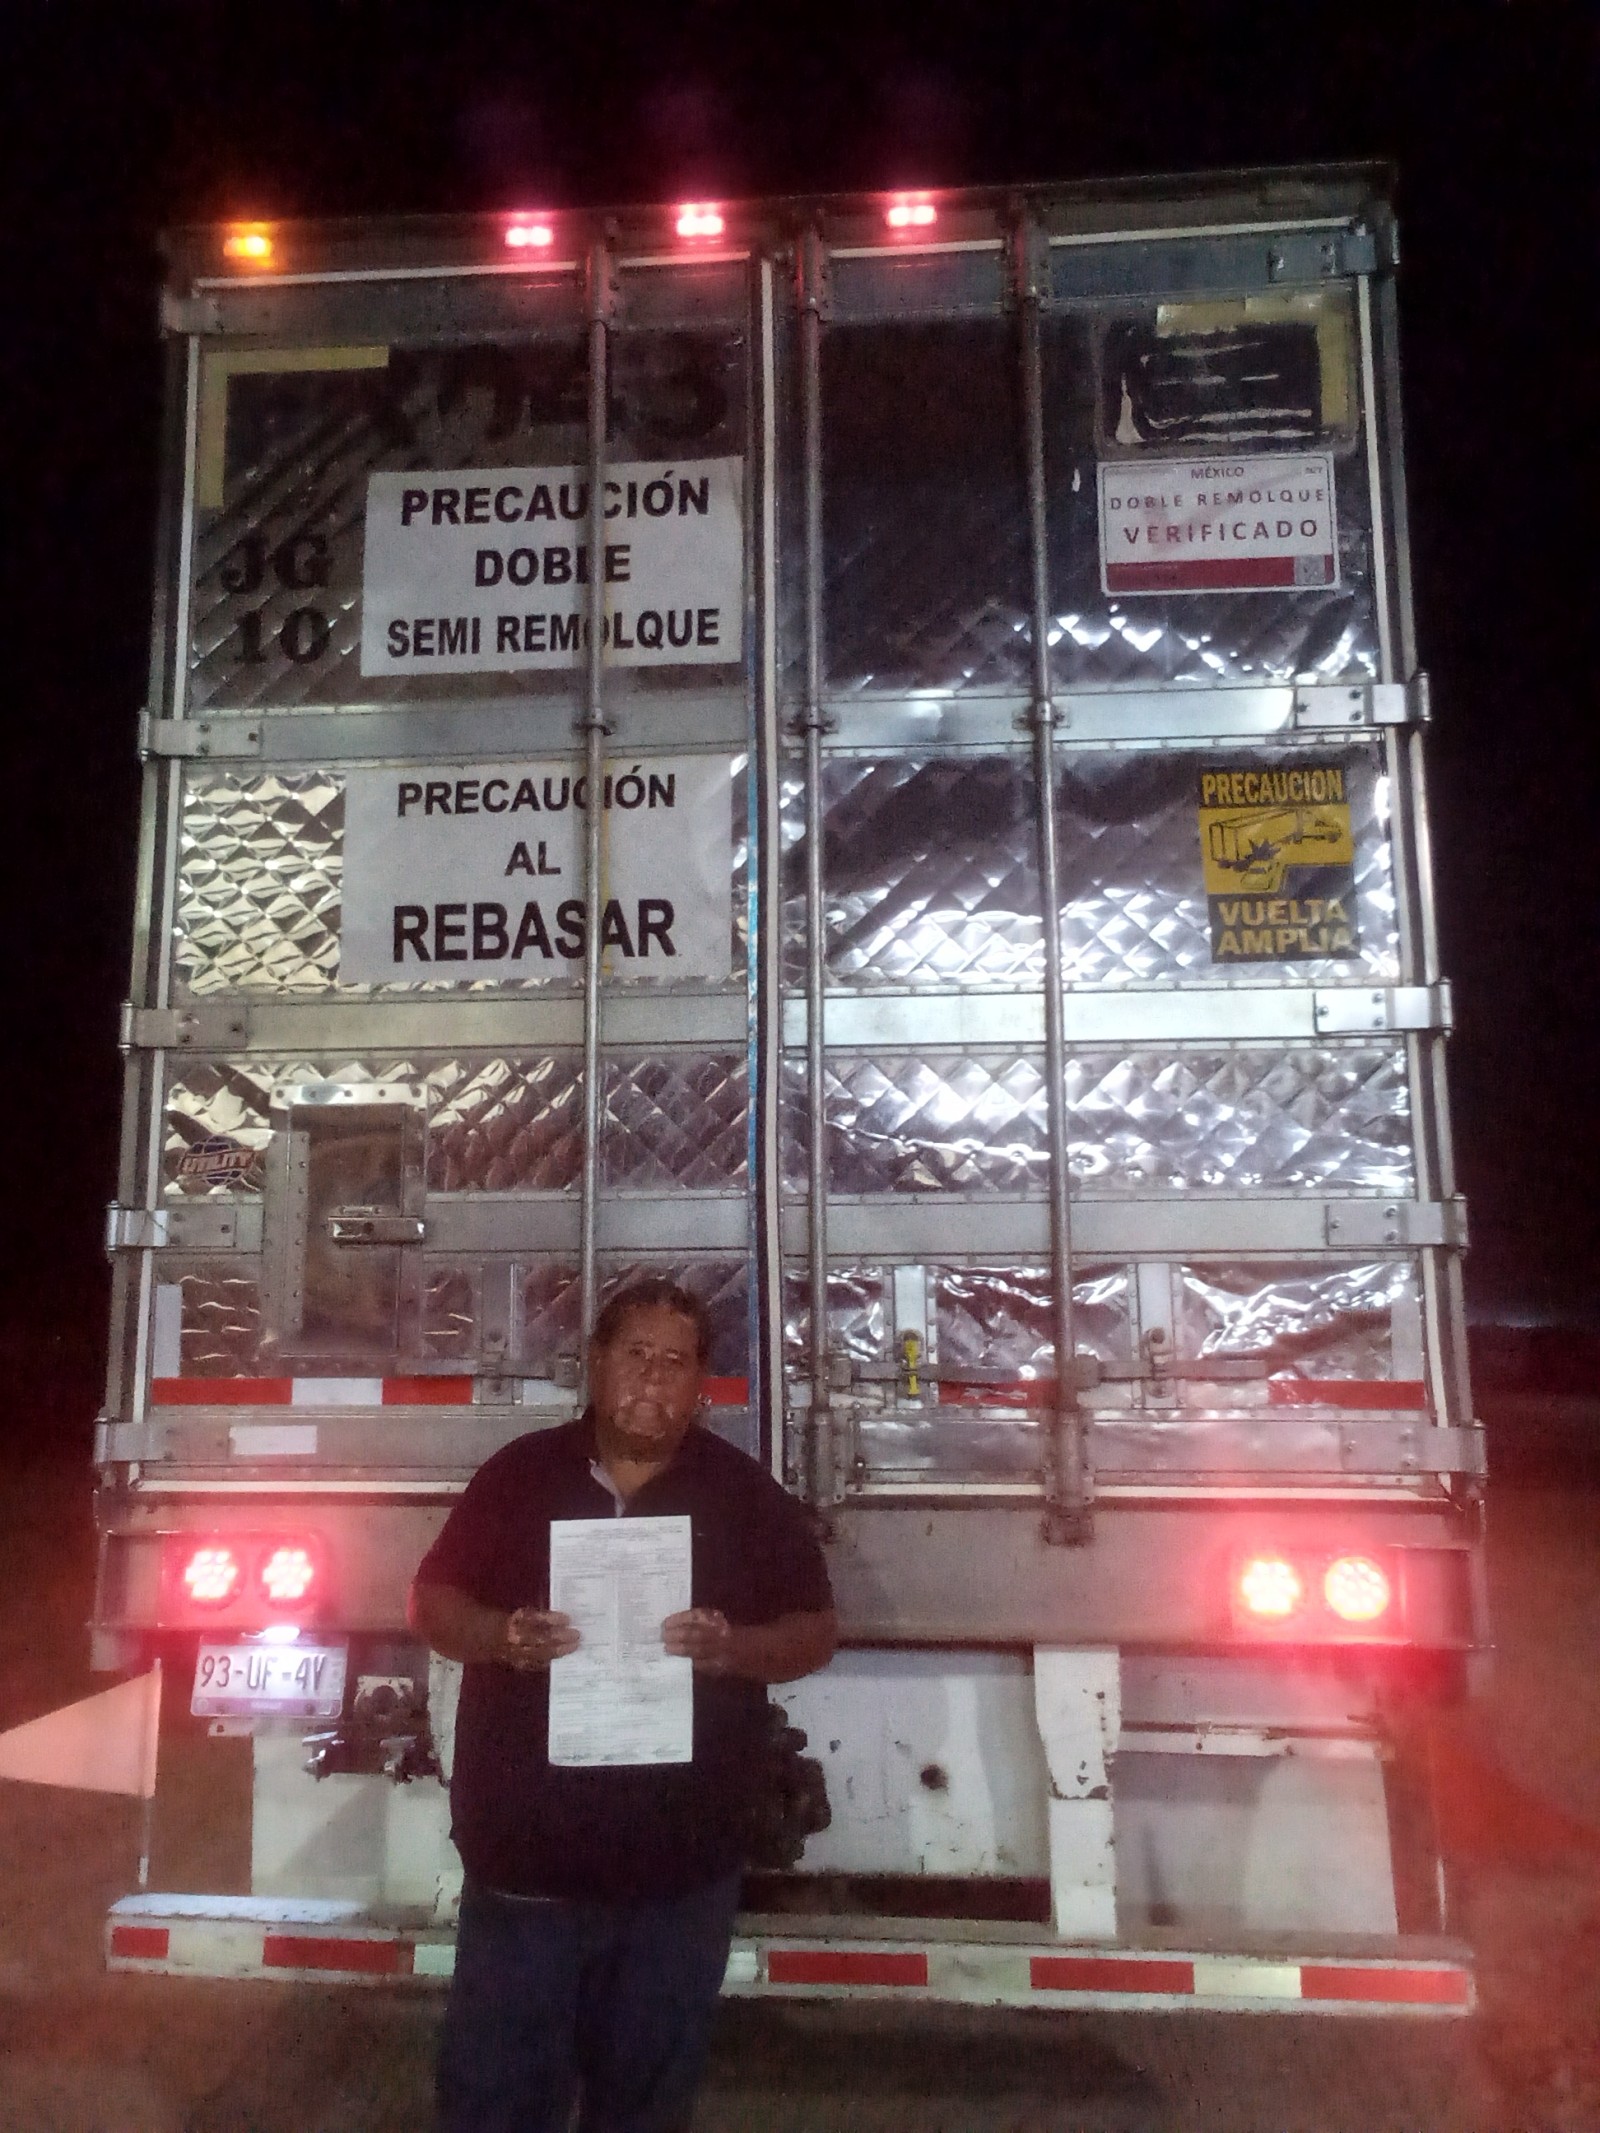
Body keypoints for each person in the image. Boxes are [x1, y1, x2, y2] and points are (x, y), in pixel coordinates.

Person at [410, 1275, 837, 2133]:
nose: (653, 1377)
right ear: (595, 1363)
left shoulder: (744, 1493)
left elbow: (816, 1629)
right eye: (636, 1354)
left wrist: (733, 1649)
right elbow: (432, 1603)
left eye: (675, 1362)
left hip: (678, 1882)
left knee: (645, 2108)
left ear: (702, 1385)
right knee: (496, 2105)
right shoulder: (518, 1476)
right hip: (526, 1877)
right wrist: (501, 1636)